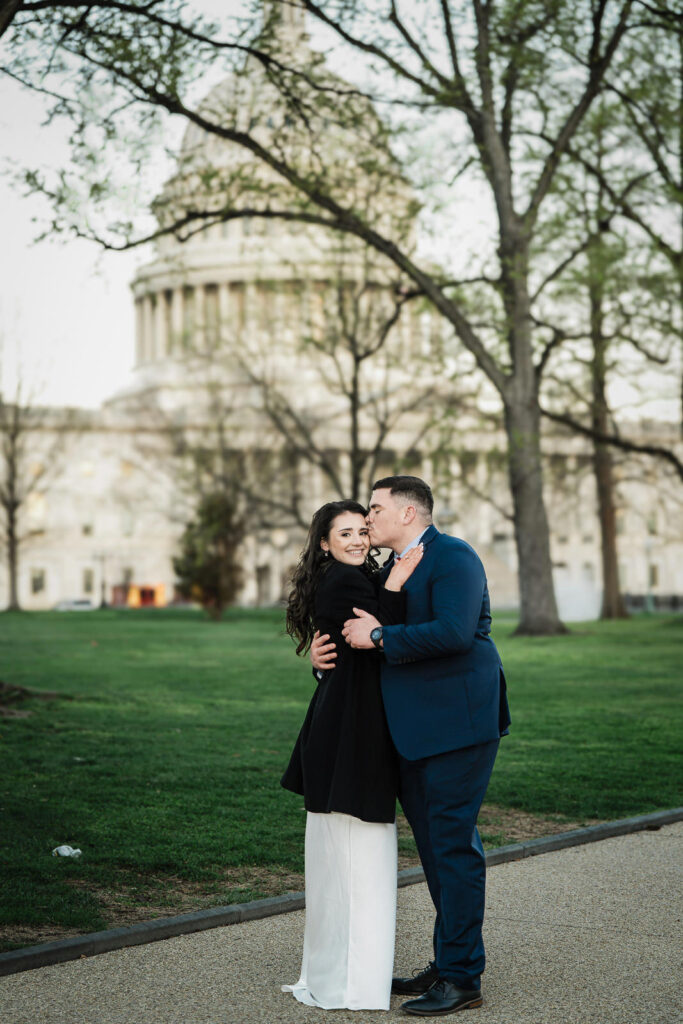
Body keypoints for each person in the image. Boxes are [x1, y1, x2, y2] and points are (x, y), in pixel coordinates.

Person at [312, 476, 511, 1017]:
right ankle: (449, 960)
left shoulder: (454, 557)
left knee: (452, 850)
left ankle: (463, 978)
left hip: (459, 726)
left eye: (374, 509)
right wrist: (323, 653)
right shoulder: (381, 572)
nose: (368, 518)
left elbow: (453, 632)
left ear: (407, 513)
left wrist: (380, 637)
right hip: (410, 733)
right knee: (434, 852)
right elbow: (351, 629)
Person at [280, 499, 424, 1011]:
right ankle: (352, 982)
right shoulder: (346, 581)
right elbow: (379, 635)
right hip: (348, 732)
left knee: (345, 856)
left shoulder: (350, 577)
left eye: (363, 530)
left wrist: (324, 666)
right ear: (324, 543)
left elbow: (355, 645)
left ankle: (344, 974)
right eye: (345, 534)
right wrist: (395, 582)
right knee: (357, 855)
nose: (359, 540)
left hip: (346, 722)